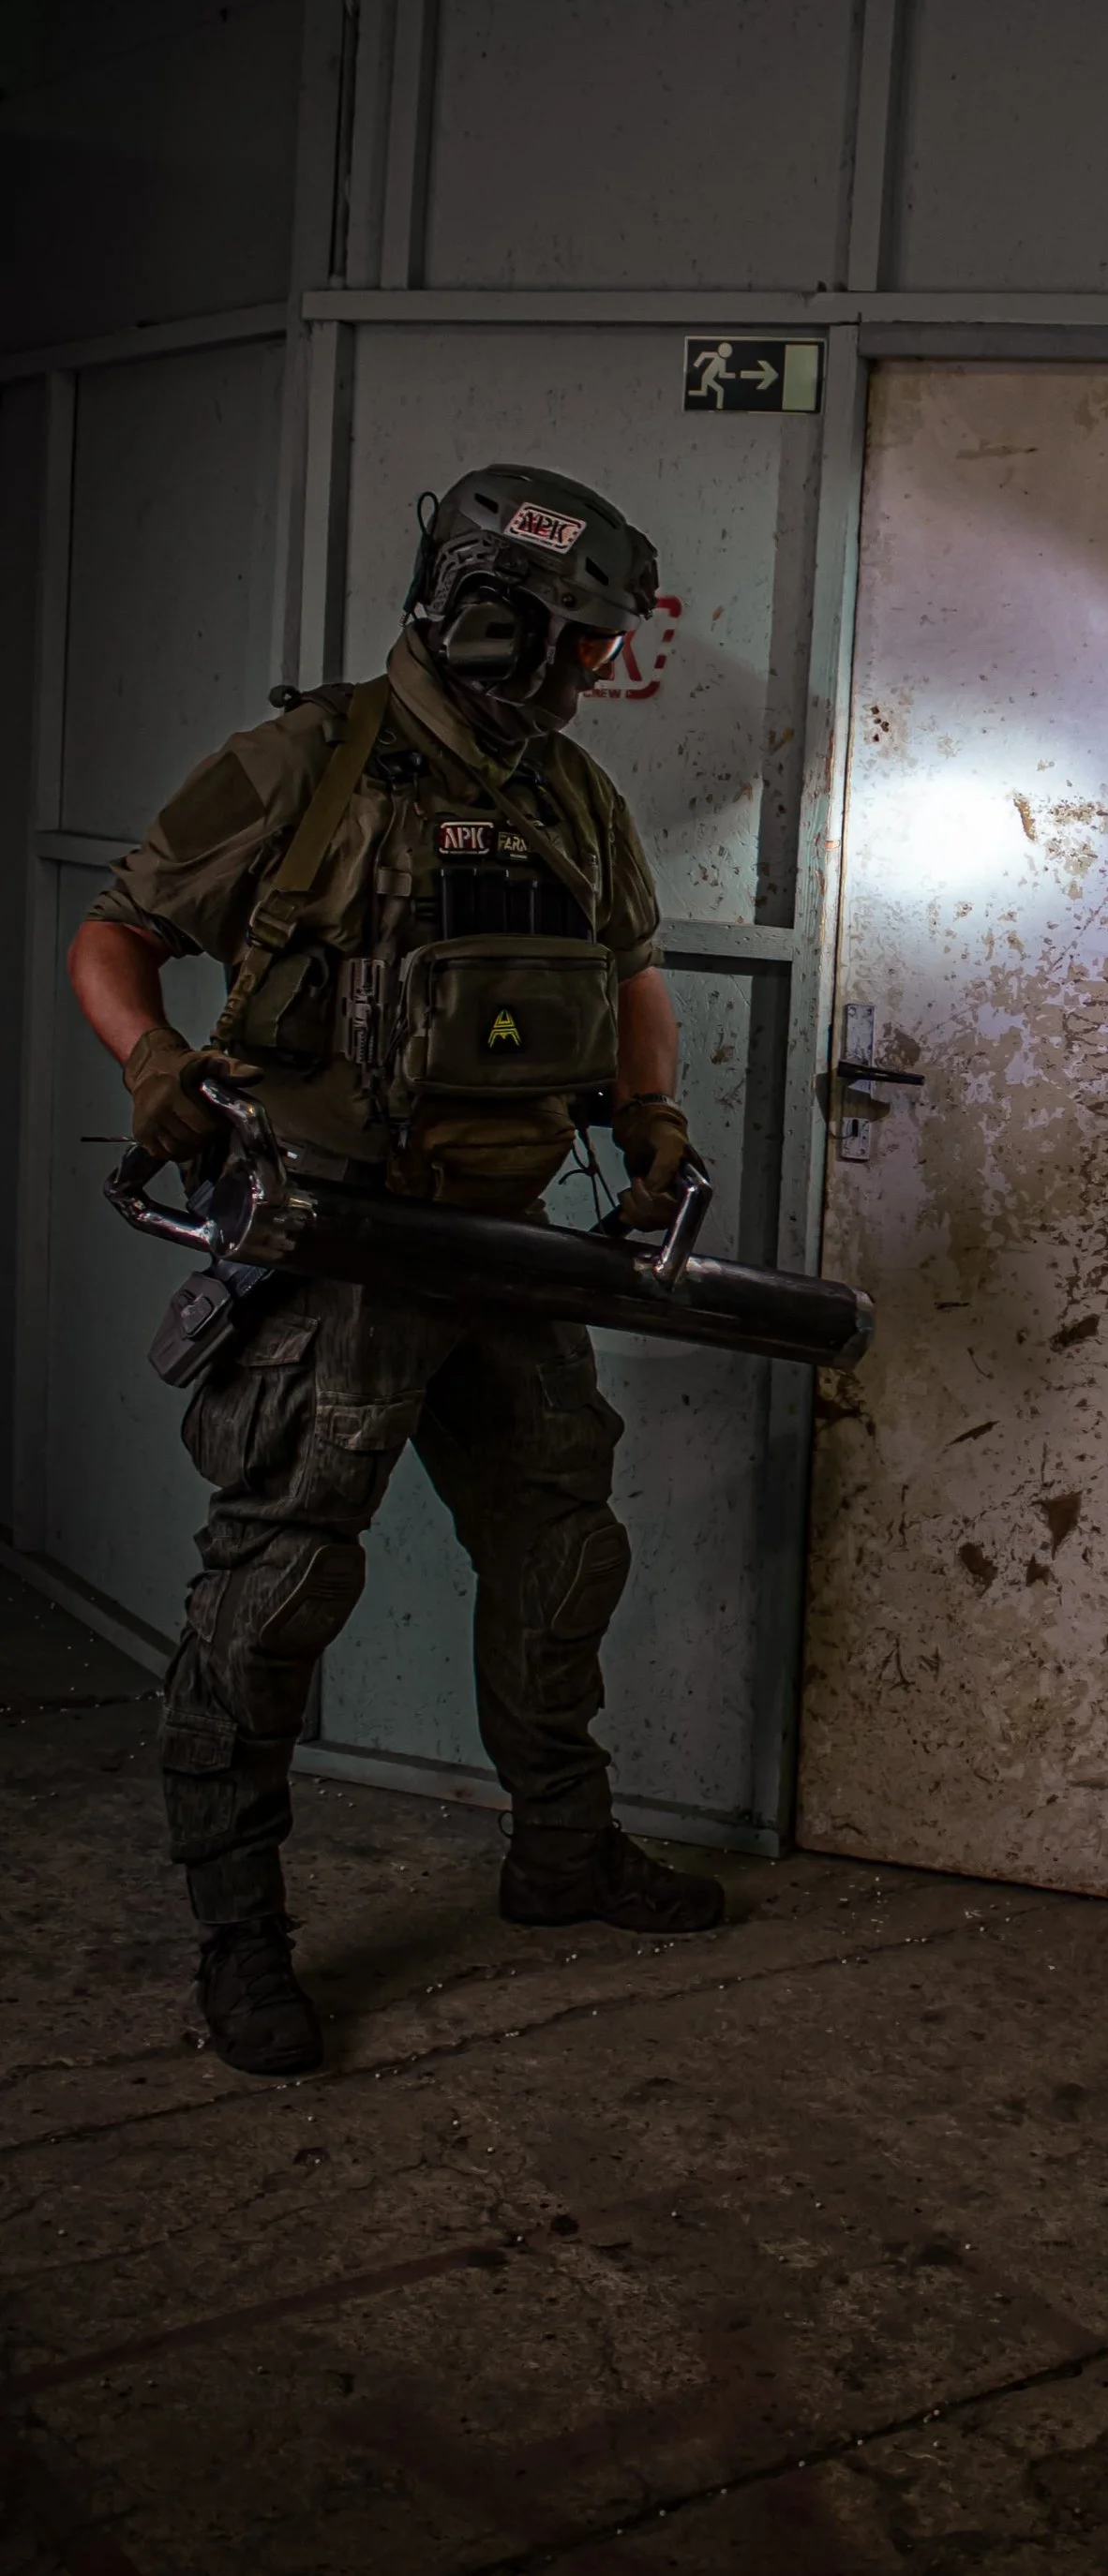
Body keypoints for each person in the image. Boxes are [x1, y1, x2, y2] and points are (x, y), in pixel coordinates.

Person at [71, 463, 723, 2081]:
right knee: (276, 1589)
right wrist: (151, 1063)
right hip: (337, 1241)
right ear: (484, 616)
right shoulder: (306, 763)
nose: (591, 677)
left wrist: (653, 1122)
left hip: (514, 1254)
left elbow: (630, 971)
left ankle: (559, 1857)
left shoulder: (569, 797)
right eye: (572, 645)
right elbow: (118, 934)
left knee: (563, 1555)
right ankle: (242, 1935)